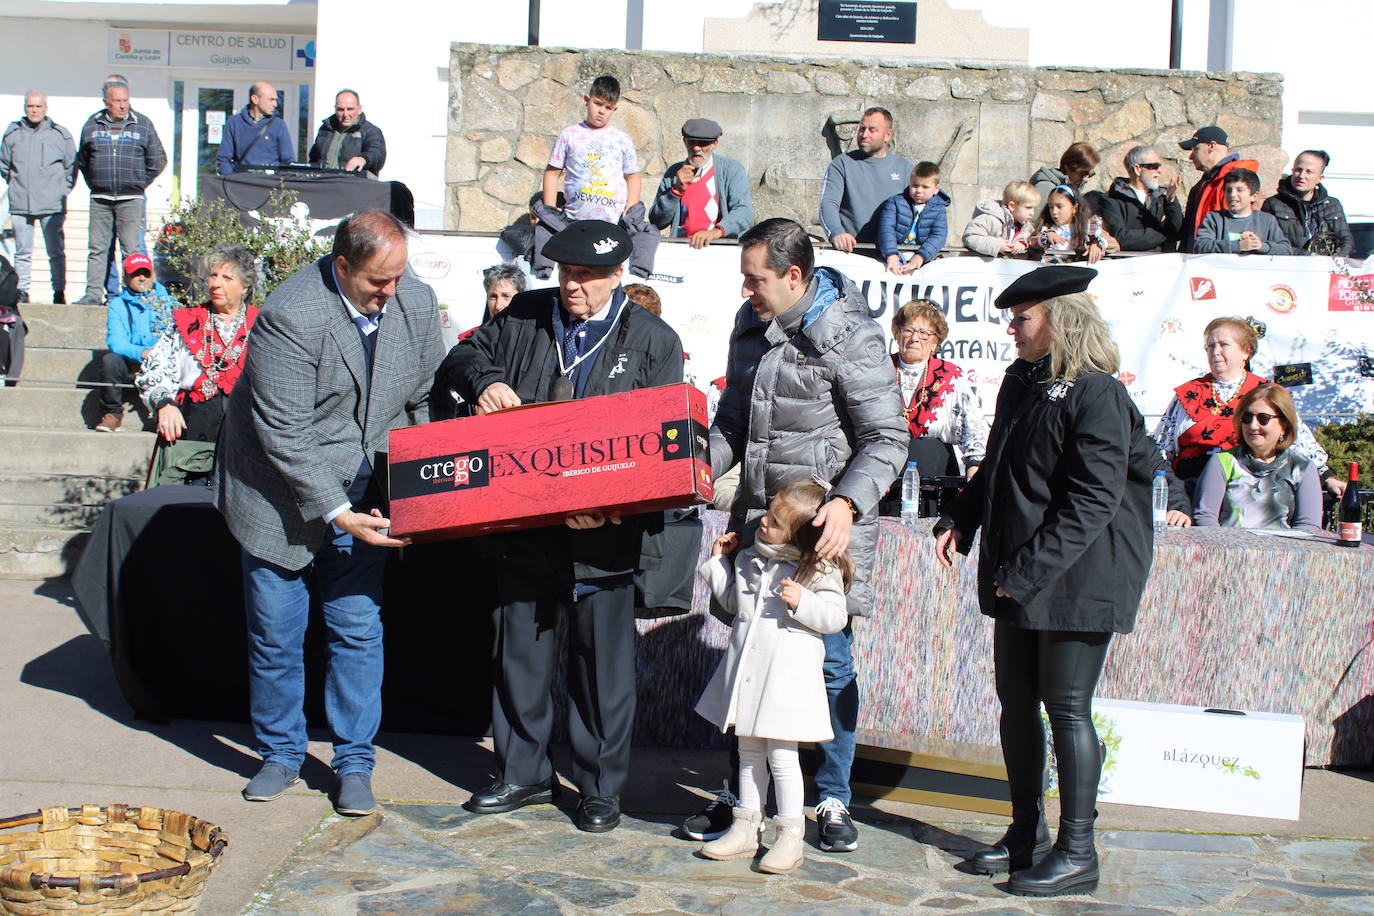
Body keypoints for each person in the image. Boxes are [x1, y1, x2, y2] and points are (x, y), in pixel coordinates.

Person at [442, 219, 684, 834]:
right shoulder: (523, 314)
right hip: (522, 524)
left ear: (618, 275)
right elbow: (462, 355)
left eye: (587, 275)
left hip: (603, 534)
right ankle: (522, 772)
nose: (572, 285)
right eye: (565, 272)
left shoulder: (654, 338)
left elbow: (663, 440)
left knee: (600, 667)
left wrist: (615, 504)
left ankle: (601, 787)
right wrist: (487, 380)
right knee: (518, 654)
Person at [683, 217, 906, 853]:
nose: (747, 291)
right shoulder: (748, 324)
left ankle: (831, 795)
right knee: (750, 656)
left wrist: (846, 503)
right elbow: (731, 420)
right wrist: (703, 465)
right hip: (758, 528)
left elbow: (887, 439)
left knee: (829, 667)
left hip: (821, 538)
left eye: (757, 280)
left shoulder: (851, 336)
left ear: (794, 276)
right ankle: (741, 795)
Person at [215, 211, 445, 817]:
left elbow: (422, 397)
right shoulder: (291, 315)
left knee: (356, 629)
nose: (390, 292)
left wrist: (426, 484)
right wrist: (338, 511)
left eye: (398, 277)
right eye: (377, 282)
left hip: (365, 486)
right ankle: (282, 754)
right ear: (342, 267)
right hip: (275, 493)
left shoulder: (413, 300)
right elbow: (284, 433)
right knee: (276, 636)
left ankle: (354, 762)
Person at [934, 265, 1154, 898]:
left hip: (1080, 575)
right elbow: (998, 462)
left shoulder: (1099, 393)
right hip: (1022, 575)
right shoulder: (1022, 381)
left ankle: (1077, 849)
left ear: (1061, 322)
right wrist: (963, 515)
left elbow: (1094, 500)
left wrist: (1024, 572)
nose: (1012, 328)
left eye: (1023, 318)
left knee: (1067, 708)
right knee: (1015, 705)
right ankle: (1023, 834)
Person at [695, 480, 850, 874]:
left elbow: (835, 617)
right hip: (749, 675)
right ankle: (746, 826)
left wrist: (804, 602)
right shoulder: (750, 557)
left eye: (776, 521)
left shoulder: (816, 567)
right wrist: (718, 564)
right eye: (768, 513)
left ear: (799, 533)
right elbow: (734, 603)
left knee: (783, 758)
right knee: (748, 754)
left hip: (784, 682)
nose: (763, 522)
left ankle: (790, 834)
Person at [1152, 316, 1341, 496]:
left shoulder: (1267, 394)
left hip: (1251, 495)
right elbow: (1161, 449)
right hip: (1190, 492)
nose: (1215, 352)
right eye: (1210, 346)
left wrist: (1327, 478)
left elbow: (1299, 442)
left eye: (1223, 344)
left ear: (1246, 351)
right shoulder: (1188, 394)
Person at [137, 244, 259, 484]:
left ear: (245, 286)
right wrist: (164, 403)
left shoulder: (262, 325)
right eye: (212, 275)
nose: (215, 284)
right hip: (191, 431)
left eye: (226, 277)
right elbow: (156, 367)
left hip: (245, 435)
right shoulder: (187, 321)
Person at [882, 300, 988, 516]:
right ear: (897, 333)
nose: (914, 338)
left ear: (935, 342)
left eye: (923, 333)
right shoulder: (879, 370)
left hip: (935, 472)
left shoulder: (950, 376)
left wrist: (974, 464)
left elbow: (972, 424)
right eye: (908, 330)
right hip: (885, 467)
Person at [74, 79, 165, 305]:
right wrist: (96, 182)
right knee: (98, 250)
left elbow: (158, 159)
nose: (122, 105)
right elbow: (83, 160)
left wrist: (137, 182)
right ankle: (94, 294)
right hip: (100, 199)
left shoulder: (142, 124)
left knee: (132, 251)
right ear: (106, 102)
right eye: (117, 101)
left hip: (131, 199)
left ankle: (133, 297)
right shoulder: (91, 125)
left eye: (125, 100)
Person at [1192, 383, 1322, 529]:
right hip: (1228, 549)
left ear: (1284, 424)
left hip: (1283, 550)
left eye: (1263, 418)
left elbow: (1308, 526)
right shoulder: (1222, 462)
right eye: (1247, 418)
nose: (1253, 426)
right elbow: (1205, 517)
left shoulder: (1302, 468)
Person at [1, 91, 75, 303]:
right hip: (21, 202)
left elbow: (71, 167)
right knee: (22, 252)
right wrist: (17, 185)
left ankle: (59, 291)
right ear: (25, 107)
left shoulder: (60, 135)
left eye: (38, 106)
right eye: (30, 106)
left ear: (45, 108)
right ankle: (22, 290)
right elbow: (4, 165)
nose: (34, 110)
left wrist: (61, 191)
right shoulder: (12, 133)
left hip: (52, 204)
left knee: (56, 252)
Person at [95, 253, 175, 432]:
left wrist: (157, 352)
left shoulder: (168, 302)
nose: (142, 278)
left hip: (160, 361)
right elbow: (116, 341)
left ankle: (164, 413)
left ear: (153, 275)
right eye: (135, 274)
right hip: (131, 362)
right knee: (110, 360)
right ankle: (113, 413)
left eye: (146, 273)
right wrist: (142, 352)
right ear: (126, 277)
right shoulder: (118, 305)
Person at [545, 75, 640, 225]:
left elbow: (633, 176)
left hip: (613, 222)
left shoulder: (622, 139)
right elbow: (552, 172)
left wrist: (631, 207)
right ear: (587, 100)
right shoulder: (569, 135)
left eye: (608, 107)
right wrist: (549, 209)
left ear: (615, 109)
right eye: (598, 103)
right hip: (574, 220)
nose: (602, 111)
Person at [819, 107, 914, 253]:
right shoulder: (842, 164)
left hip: (893, 257)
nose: (864, 134)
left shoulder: (905, 168)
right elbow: (828, 203)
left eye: (872, 130)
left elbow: (925, 209)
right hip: (852, 254)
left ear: (887, 135)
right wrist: (836, 233)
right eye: (862, 129)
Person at [649, 118, 753, 248]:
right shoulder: (673, 172)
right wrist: (675, 192)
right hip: (681, 249)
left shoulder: (731, 169)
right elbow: (657, 221)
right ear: (684, 142)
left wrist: (716, 232)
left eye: (703, 143)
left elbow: (744, 212)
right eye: (692, 142)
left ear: (714, 144)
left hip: (720, 248)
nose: (696, 148)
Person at [1179, 126, 1259, 253]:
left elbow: (1238, 226)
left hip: (1218, 261)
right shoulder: (1203, 184)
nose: (1191, 156)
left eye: (1195, 149)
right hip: (1196, 259)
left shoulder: (1231, 183)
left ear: (1211, 146)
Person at [1261, 150, 1354, 256]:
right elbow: (1270, 242)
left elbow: (1346, 240)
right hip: (1288, 266)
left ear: (1319, 178)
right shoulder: (1273, 204)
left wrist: (1337, 260)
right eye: (1298, 170)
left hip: (1326, 268)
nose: (1301, 176)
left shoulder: (1333, 205)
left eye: (1309, 172)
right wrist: (1307, 256)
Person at [1096, 145, 1184, 253]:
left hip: (1164, 265)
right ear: (1137, 169)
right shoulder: (1112, 199)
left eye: (1159, 166)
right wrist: (1164, 233)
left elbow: (1177, 231)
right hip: (1130, 265)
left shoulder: (1162, 198)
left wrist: (1171, 201)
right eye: (1154, 166)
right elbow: (1122, 239)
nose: (1160, 171)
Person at [1192, 169, 1292, 255]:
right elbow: (1200, 245)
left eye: (1240, 190)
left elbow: (1286, 250)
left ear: (1254, 196)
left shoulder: (1267, 220)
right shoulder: (1214, 219)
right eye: (1228, 190)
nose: (1232, 195)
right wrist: (1238, 246)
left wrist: (1260, 246)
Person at [876, 161, 949, 274]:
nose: (919, 190)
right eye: (915, 185)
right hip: (894, 255)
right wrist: (891, 254)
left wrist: (921, 256)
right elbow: (886, 229)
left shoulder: (939, 209)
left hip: (922, 258)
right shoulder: (895, 202)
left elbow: (939, 235)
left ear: (936, 189)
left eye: (925, 187)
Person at [217, 82, 294, 176]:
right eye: (271, 99)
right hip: (241, 184)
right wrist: (229, 182)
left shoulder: (279, 125)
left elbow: (288, 161)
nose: (275, 104)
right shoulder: (234, 122)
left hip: (270, 185)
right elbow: (224, 158)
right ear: (255, 99)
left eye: (275, 100)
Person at [1026, 185, 1116, 264]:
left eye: (1059, 206)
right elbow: (1032, 242)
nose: (1054, 212)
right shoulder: (1047, 227)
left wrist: (1097, 244)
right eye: (1051, 207)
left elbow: (1114, 244)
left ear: (1075, 208)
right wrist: (1046, 237)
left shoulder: (1089, 226)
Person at [308, 90, 386, 174]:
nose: (345, 114)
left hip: (354, 183)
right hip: (324, 182)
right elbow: (313, 159)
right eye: (340, 109)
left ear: (359, 109)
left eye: (350, 109)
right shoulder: (325, 129)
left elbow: (377, 154)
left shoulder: (370, 131)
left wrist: (363, 159)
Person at [963, 181, 1039, 258]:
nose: (1032, 213)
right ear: (1012, 206)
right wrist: (997, 245)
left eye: (1034, 208)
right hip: (981, 264)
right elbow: (970, 237)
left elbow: (1029, 238)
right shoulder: (991, 219)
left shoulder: (1026, 226)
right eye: (1028, 208)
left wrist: (1023, 243)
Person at [1029, 143, 1099, 207]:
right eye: (1084, 173)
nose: (1086, 178)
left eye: (1091, 173)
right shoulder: (1046, 187)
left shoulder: (1068, 187)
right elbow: (1032, 218)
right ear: (1068, 167)